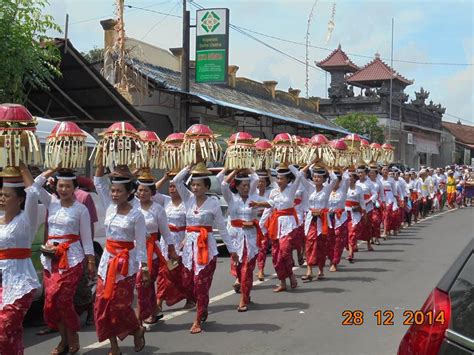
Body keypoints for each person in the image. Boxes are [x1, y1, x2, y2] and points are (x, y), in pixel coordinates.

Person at [34, 169, 95, 355]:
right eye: (60, 186)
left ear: (75, 188)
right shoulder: (51, 202)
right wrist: (53, 169)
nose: (63, 189)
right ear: (56, 187)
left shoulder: (81, 209)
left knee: (64, 300)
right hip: (50, 258)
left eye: (68, 186)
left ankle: (73, 337)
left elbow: (86, 238)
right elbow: (35, 184)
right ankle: (63, 340)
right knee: (52, 301)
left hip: (72, 259)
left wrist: (90, 261)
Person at [172, 165, 236, 334]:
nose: (195, 188)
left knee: (201, 284)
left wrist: (232, 250)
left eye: (199, 185)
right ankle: (202, 306)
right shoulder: (188, 199)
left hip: (206, 248)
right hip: (189, 249)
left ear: (207, 187)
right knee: (187, 283)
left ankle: (198, 318)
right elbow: (177, 180)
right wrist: (190, 166)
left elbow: (222, 228)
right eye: (193, 184)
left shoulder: (213, 203)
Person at [93, 165, 148, 354]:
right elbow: (98, 181)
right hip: (107, 264)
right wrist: (101, 161)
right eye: (113, 190)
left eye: (118, 191)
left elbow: (140, 244)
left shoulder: (136, 215)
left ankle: (136, 329)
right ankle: (114, 347)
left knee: (119, 308)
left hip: (126, 266)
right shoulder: (109, 207)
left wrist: (145, 268)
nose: (114, 194)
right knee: (102, 305)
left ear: (129, 192)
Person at [0, 164, 41, 355]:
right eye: (1, 194)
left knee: (5, 327)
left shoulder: (26, 220)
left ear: (20, 199)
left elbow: (33, 193)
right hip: (2, 281)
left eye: (7, 195)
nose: (2, 199)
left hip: (20, 283)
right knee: (12, 334)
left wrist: (22, 168)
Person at [134, 173, 178, 325]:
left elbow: (165, 232)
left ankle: (138, 319)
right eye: (140, 190)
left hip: (152, 252)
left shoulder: (158, 209)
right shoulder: (131, 207)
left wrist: (172, 250)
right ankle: (153, 310)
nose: (142, 193)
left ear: (152, 192)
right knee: (145, 285)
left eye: (146, 190)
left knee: (142, 283)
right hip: (133, 252)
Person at [222, 169, 265, 311]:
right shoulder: (231, 199)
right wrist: (235, 170)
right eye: (243, 185)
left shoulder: (254, 197)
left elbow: (270, 203)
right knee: (239, 269)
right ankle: (245, 292)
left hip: (251, 238)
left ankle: (243, 299)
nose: (246, 187)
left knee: (247, 269)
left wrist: (250, 170)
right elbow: (223, 183)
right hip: (236, 238)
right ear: (237, 186)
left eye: (248, 185)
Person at [259, 164, 302, 292]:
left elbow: (299, 175)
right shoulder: (273, 192)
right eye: (277, 178)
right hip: (275, 224)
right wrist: (261, 225)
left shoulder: (292, 189)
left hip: (288, 224)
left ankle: (291, 275)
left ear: (288, 179)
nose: (279, 181)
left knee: (284, 252)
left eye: (281, 178)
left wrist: (288, 163)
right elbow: (269, 208)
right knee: (276, 255)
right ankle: (282, 282)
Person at [299, 164, 336, 281]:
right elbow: (300, 174)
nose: (316, 179)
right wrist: (312, 162)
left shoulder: (327, 188)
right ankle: (309, 270)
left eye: (319, 177)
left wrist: (324, 165)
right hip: (311, 219)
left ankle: (320, 270)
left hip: (323, 220)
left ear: (324, 179)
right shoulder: (309, 187)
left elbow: (335, 178)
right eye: (314, 177)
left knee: (321, 245)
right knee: (309, 243)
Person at [327, 169, 350, 271]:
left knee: (338, 241)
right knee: (329, 240)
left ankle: (335, 262)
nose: (333, 183)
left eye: (336, 181)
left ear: (340, 181)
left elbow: (348, 178)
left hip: (340, 218)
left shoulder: (343, 188)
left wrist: (340, 168)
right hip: (328, 217)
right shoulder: (327, 189)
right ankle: (331, 258)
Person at [345, 171, 367, 262]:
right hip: (344, 213)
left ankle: (350, 253)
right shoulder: (344, 188)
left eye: (350, 176)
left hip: (355, 213)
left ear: (354, 178)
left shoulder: (359, 189)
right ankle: (350, 249)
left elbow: (362, 202)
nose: (348, 178)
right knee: (345, 234)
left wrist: (363, 212)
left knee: (352, 233)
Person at [255, 171, 273, 281]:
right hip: (253, 223)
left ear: (267, 182)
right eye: (259, 181)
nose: (260, 183)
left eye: (263, 181)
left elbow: (270, 206)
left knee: (263, 247)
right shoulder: (253, 192)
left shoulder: (271, 192)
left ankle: (261, 269)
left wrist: (269, 173)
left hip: (265, 223)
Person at [356, 165, 377, 251]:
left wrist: (368, 201)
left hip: (367, 207)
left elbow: (375, 194)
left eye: (362, 172)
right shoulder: (356, 182)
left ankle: (368, 243)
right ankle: (355, 244)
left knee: (367, 225)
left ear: (365, 173)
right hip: (357, 207)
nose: (360, 174)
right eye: (359, 172)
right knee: (356, 225)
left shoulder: (369, 183)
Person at [368, 166, 384, 244]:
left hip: (376, 203)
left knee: (376, 221)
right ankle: (370, 238)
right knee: (369, 222)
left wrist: (383, 202)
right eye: (370, 173)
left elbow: (382, 193)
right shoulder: (366, 182)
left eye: (373, 173)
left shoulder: (379, 182)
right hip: (367, 203)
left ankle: (376, 237)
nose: (372, 174)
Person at [381, 166, 398, 238]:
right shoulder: (379, 179)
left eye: (386, 170)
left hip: (389, 197)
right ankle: (387, 229)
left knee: (387, 214)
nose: (385, 171)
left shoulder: (391, 180)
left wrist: (396, 201)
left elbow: (394, 191)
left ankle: (385, 231)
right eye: (384, 170)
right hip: (381, 197)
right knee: (383, 215)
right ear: (381, 171)